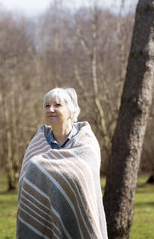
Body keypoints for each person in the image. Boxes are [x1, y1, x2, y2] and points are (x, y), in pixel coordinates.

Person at [16, 87, 108, 239]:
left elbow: (85, 182)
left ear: (71, 111)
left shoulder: (87, 145)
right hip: (44, 217)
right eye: (47, 106)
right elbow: (27, 181)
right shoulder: (37, 145)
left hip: (78, 215)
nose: (50, 109)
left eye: (57, 105)